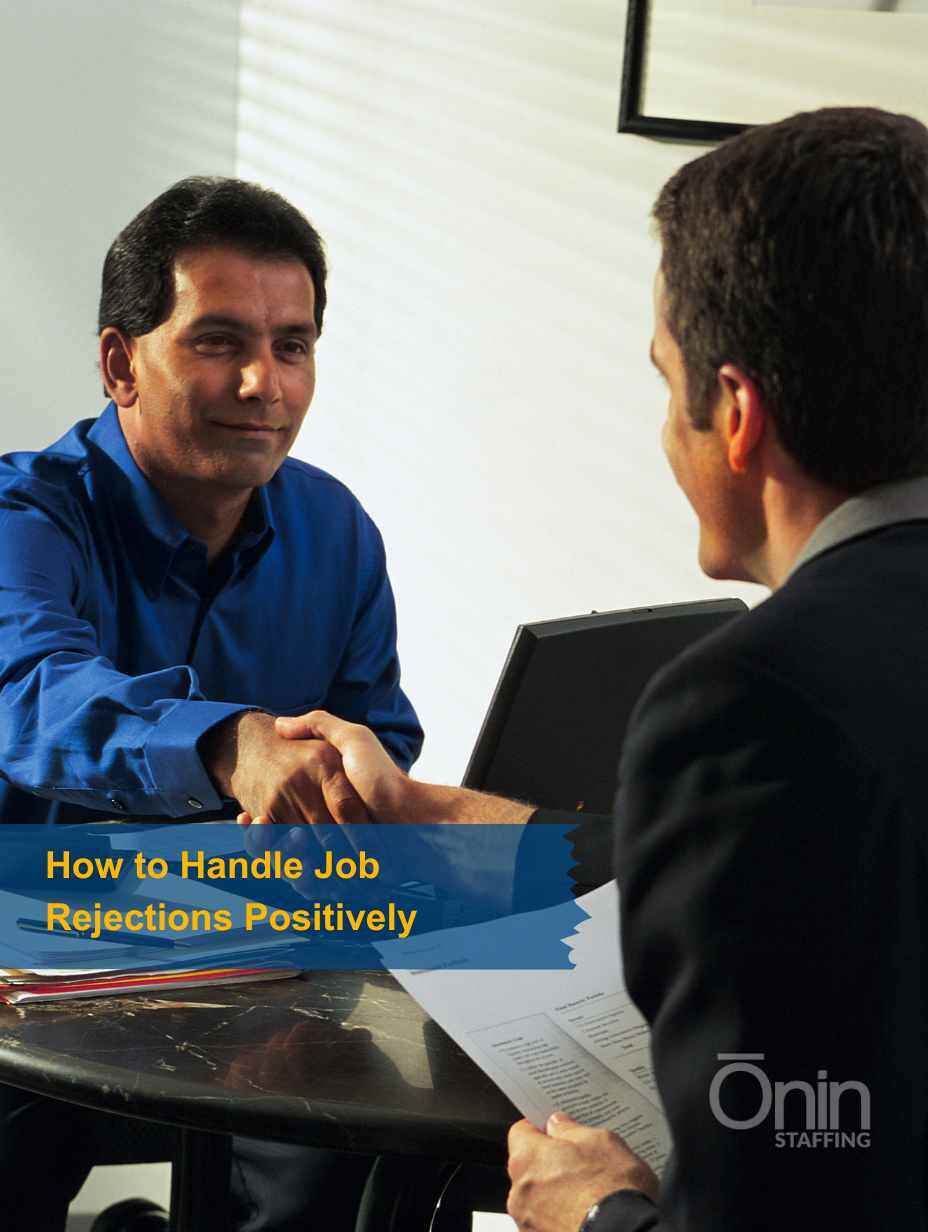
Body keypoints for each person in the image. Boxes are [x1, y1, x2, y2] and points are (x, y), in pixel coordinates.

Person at [266, 107, 928, 1230]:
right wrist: (420, 806)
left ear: (733, 412)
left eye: (663, 377)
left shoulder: (752, 699)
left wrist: (602, 1209)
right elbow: (651, 859)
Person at [0, 177, 422, 1229]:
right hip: (32, 966)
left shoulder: (337, 531)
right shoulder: (23, 516)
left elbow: (379, 731)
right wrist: (229, 743)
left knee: (375, 1150)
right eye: (218, 341)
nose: (260, 383)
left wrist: (359, 783)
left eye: (293, 345)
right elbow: (35, 693)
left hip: (245, 969)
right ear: (118, 363)